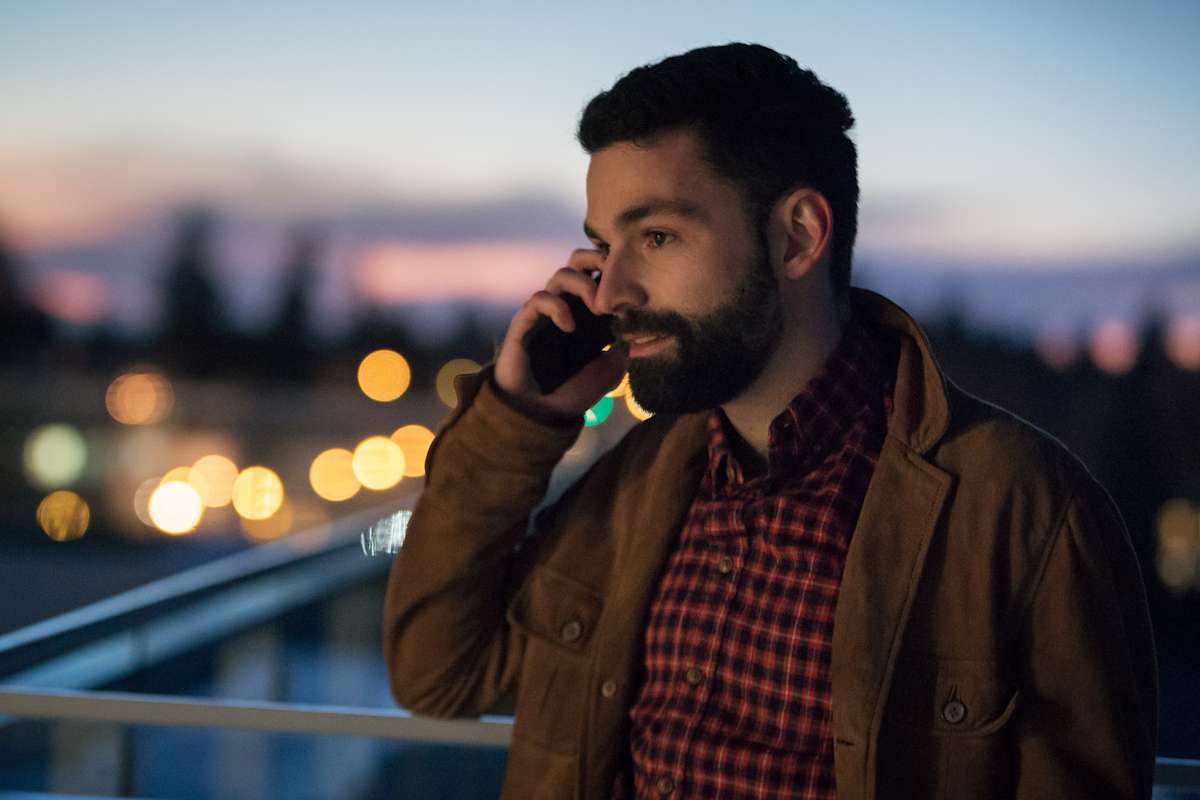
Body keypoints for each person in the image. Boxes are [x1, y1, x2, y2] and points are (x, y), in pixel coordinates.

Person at [383, 42, 1157, 799]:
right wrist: (519, 417)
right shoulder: (633, 486)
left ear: (797, 237)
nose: (610, 292)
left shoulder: (1027, 513)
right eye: (603, 247)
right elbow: (434, 672)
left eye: (657, 236)